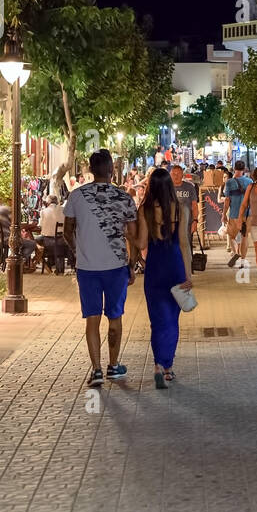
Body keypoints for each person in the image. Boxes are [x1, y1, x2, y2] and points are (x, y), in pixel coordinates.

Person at [64, 149, 137, 388]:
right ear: (111, 170)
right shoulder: (124, 197)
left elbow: (67, 231)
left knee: (92, 319)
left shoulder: (76, 196)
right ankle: (113, 366)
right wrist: (132, 263)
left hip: (87, 268)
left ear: (91, 171)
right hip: (116, 266)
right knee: (114, 316)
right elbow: (133, 234)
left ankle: (96, 370)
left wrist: (79, 252)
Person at [135, 166, 193, 389]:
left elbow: (141, 244)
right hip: (175, 265)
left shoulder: (145, 210)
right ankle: (167, 366)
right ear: (169, 186)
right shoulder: (180, 209)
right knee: (172, 319)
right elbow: (185, 244)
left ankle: (159, 364)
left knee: (157, 320)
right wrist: (188, 274)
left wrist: (129, 234)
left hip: (155, 267)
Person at [170, 163, 200, 274]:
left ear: (182, 175)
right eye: (174, 174)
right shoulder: (167, 188)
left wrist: (195, 221)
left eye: (178, 174)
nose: (176, 176)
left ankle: (186, 270)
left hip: (186, 223)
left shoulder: (189, 187)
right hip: (171, 223)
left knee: (185, 246)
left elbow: (194, 206)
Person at [221, 160, 252, 266]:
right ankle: (243, 261)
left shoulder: (229, 182)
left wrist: (224, 213)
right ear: (244, 169)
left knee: (231, 235)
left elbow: (227, 200)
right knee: (245, 236)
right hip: (247, 214)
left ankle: (235, 252)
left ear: (234, 169)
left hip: (234, 213)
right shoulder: (249, 181)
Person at [37, 197, 67, 274]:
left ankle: (44, 262)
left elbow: (40, 225)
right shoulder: (63, 209)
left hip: (47, 242)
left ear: (48, 202)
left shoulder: (43, 212)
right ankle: (58, 267)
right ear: (57, 202)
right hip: (61, 241)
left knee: (36, 241)